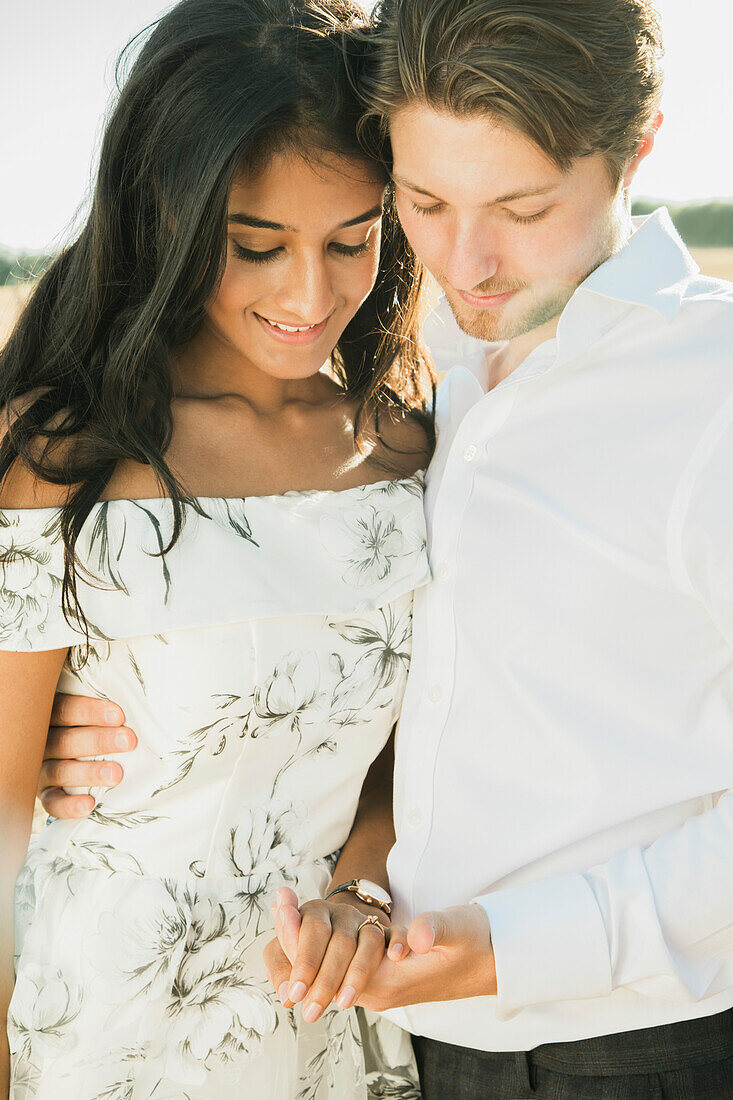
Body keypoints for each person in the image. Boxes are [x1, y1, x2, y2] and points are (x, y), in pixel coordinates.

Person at [44, 0, 733, 1097]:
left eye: (521, 204)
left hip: (639, 1049)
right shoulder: (418, 394)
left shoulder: (712, 399)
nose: (469, 260)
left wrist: (520, 942)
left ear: (637, 149)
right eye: (421, 201)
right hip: (409, 1049)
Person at [0, 1, 436, 1096]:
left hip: (327, 1020)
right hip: (99, 1029)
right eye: (255, 246)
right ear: (168, 216)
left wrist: (365, 890)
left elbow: (415, 760)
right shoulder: (70, 455)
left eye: (352, 237)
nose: (309, 294)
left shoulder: (409, 454)